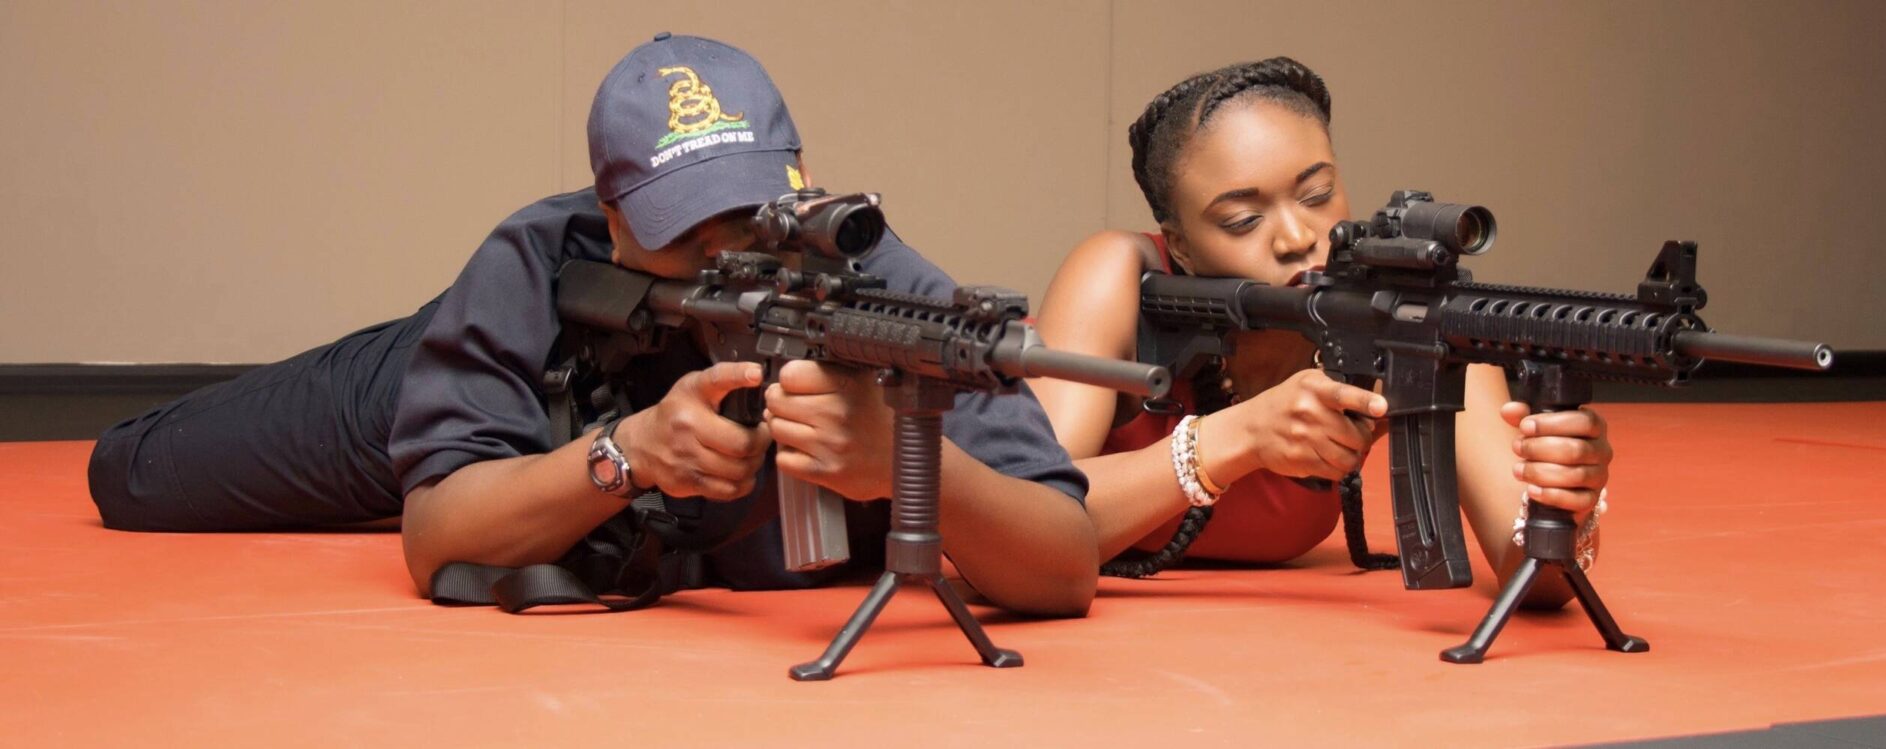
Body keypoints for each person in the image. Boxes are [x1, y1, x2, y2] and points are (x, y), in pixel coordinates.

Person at [87, 34, 1097, 617]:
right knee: (133, 474)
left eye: (747, 218)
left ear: (800, 182)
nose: (723, 254)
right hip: (489, 370)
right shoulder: (540, 258)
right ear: (608, 215)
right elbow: (435, 535)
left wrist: (904, 461)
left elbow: (1065, 562)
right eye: (679, 229)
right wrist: (626, 452)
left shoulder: (880, 285)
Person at [1029, 56, 1613, 607]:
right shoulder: (1119, 276)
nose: (1295, 236)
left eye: (1317, 195)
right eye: (1243, 220)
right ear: (1180, 243)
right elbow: (1032, 519)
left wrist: (1563, 504)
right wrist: (1237, 437)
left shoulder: (1410, 318)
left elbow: (1535, 584)